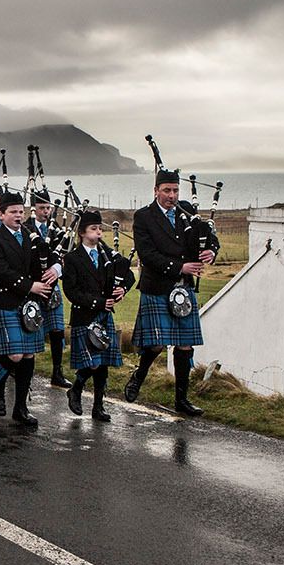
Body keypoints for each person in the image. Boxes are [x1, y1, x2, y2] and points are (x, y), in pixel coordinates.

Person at [126, 168, 216, 416]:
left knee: (186, 345)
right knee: (155, 345)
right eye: (167, 190)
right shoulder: (144, 217)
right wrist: (180, 266)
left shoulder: (187, 211)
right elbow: (147, 254)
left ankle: (181, 400)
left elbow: (209, 236)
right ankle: (138, 376)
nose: (172, 195)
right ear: (156, 191)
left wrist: (211, 251)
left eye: (175, 190)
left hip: (183, 289)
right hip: (157, 286)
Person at [0, 189, 50, 428]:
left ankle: (21, 408)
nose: (18, 216)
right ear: (1, 214)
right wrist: (32, 285)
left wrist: (56, 269)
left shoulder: (30, 236)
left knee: (29, 354)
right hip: (5, 300)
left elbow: (47, 258)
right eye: (13, 212)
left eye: (21, 211)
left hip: (28, 304)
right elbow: (1, 271)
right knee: (15, 354)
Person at [61, 209, 126, 422]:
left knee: (103, 364)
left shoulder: (108, 256)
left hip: (104, 315)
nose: (98, 233)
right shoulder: (72, 258)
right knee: (93, 363)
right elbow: (71, 291)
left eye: (100, 229)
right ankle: (76, 388)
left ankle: (98, 407)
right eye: (93, 229)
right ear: (81, 233)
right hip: (85, 315)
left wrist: (121, 290)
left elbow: (127, 275)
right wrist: (98, 302)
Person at [27, 189, 70, 387]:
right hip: (32, 289)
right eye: (42, 208)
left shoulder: (59, 231)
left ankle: (57, 373)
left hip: (53, 289)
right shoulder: (25, 228)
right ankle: (23, 370)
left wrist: (58, 268)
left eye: (48, 208)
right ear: (33, 209)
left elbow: (68, 257)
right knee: (31, 331)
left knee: (57, 331)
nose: (46, 211)